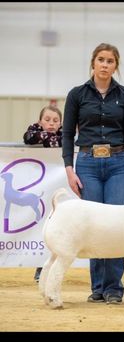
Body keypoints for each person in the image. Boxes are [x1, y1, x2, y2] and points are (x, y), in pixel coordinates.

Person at [62, 42, 124, 304]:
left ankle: (114, 288)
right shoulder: (77, 95)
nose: (105, 65)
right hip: (88, 164)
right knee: (94, 225)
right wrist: (69, 169)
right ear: (93, 62)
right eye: (101, 60)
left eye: (110, 61)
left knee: (117, 226)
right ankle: (98, 286)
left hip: (118, 163)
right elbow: (68, 134)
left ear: (116, 65)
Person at [23, 105, 63, 282]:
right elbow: (28, 138)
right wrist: (48, 137)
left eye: (55, 121)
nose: (51, 124)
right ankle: (41, 267)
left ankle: (55, 267)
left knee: (58, 227)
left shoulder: (65, 134)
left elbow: (66, 141)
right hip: (39, 186)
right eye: (47, 120)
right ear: (40, 121)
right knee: (39, 226)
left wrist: (50, 138)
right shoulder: (33, 131)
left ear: (61, 123)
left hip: (60, 185)